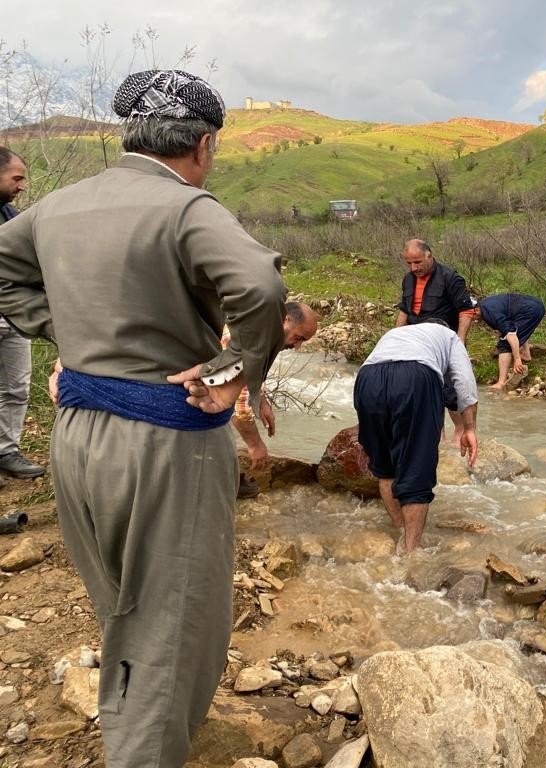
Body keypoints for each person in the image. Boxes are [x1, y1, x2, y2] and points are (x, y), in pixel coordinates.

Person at [0, 69, 287, 768]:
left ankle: (133, 727)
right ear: (204, 144)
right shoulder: (186, 207)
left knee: (122, 603)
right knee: (172, 623)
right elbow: (259, 286)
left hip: (77, 438)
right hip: (166, 442)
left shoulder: (60, 206)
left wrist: (64, 334)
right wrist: (235, 369)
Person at [354, 321, 479, 553]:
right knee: (415, 468)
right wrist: (469, 428)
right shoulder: (449, 336)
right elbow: (464, 382)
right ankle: (412, 553)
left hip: (367, 379)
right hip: (415, 377)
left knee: (385, 467)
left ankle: (401, 533)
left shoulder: (395, 333)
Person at [230, 301, 318, 498]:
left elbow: (250, 375)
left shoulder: (261, 331)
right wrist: (255, 446)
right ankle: (229, 483)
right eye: (298, 337)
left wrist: (261, 400)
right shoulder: (252, 337)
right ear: (284, 320)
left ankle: (230, 481)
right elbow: (240, 410)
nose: (297, 346)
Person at [394, 239, 476, 443]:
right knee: (424, 388)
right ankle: (437, 434)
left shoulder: (450, 278)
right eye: (409, 263)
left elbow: (466, 310)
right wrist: (395, 337)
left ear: (429, 256)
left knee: (452, 389)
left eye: (418, 262)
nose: (414, 268)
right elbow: (405, 309)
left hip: (444, 341)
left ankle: (461, 431)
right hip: (416, 342)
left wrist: (459, 342)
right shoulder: (408, 279)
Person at [0, 148, 45, 480]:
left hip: (12, 316)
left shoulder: (11, 217)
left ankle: (6, 452)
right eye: (16, 178)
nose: (22, 185)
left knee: (16, 386)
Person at [473, 293, 546, 391]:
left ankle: (501, 383)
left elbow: (511, 333)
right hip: (534, 304)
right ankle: (526, 354)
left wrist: (516, 359)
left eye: (471, 315)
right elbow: (510, 327)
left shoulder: (488, 312)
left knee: (505, 344)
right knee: (518, 329)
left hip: (530, 309)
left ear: (476, 309)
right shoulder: (485, 305)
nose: (472, 319)